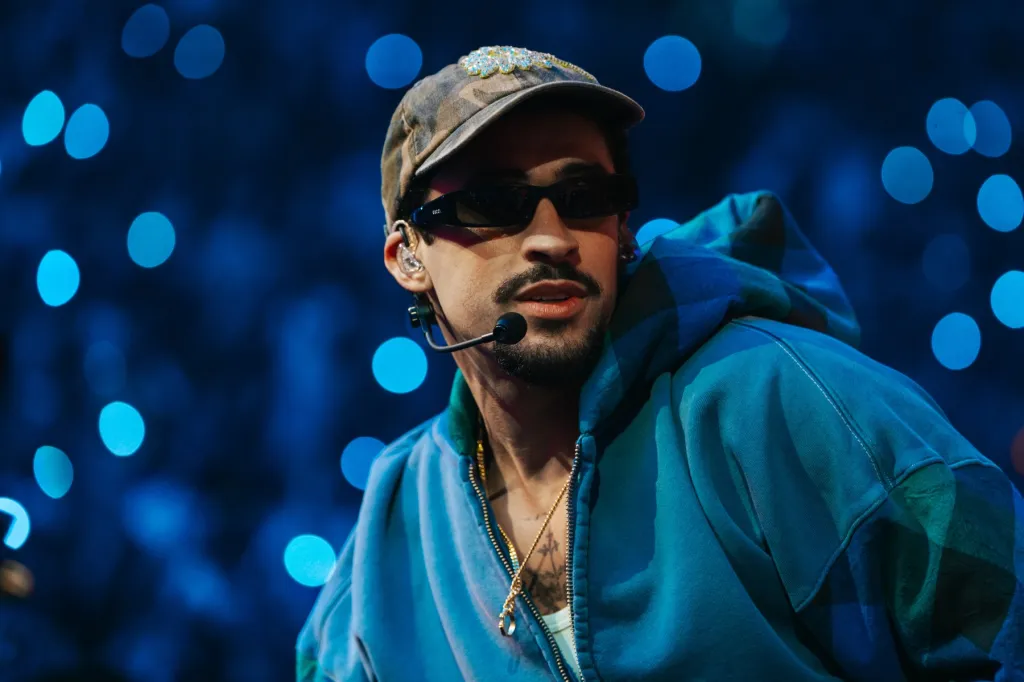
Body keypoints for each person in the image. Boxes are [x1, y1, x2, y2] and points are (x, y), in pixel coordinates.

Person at [297, 45, 1024, 681]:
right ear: (408, 256)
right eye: (494, 202)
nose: (553, 238)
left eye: (584, 197)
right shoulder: (390, 532)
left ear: (623, 230)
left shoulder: (778, 399)